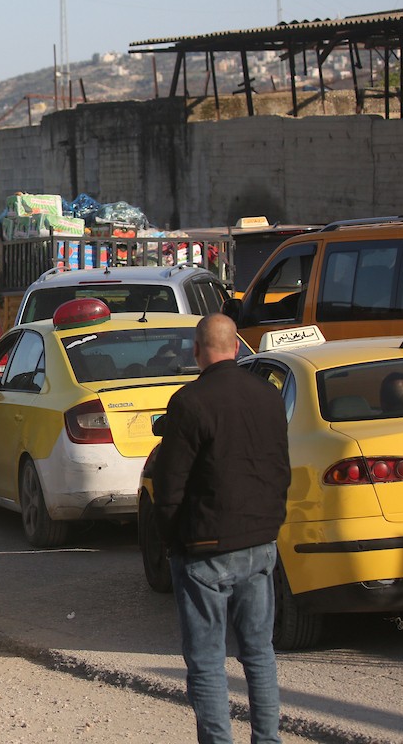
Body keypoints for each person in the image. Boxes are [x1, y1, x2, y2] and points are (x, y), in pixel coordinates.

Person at [151, 314, 290, 744]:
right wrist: (270, 524)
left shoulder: (189, 402)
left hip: (204, 546)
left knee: (208, 661)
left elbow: (169, 484)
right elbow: (280, 469)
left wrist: (171, 539)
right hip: (260, 542)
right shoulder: (269, 396)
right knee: (259, 653)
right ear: (236, 347)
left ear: (197, 350)